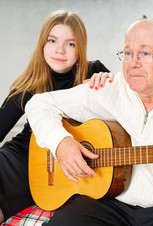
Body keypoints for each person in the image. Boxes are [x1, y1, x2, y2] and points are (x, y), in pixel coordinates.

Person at [25, 19, 153, 225]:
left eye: (144, 54)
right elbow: (38, 104)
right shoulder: (110, 88)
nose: (133, 63)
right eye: (127, 53)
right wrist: (60, 143)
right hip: (109, 203)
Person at [0, 9, 109, 223]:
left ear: (80, 48)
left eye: (70, 43)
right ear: (42, 43)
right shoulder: (28, 84)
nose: (59, 50)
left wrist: (109, 86)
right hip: (19, 156)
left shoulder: (94, 72)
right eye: (52, 41)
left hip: (48, 169)